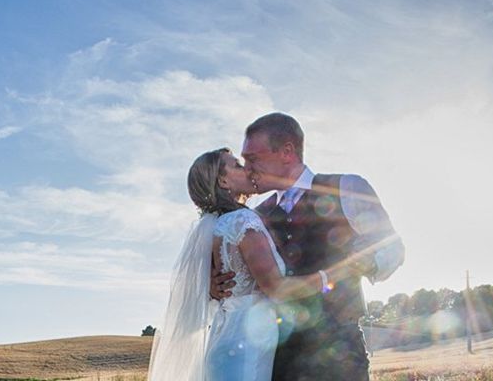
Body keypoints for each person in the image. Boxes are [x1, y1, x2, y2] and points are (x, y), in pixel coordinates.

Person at [211, 112, 405, 381]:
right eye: (243, 161)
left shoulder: (346, 187)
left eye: (253, 158)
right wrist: (216, 286)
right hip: (280, 357)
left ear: (287, 152)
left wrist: (366, 263)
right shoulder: (256, 217)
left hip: (341, 354)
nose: (248, 168)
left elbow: (393, 248)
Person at [148, 147, 357, 381]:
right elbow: (276, 288)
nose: (246, 169)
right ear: (223, 181)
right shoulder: (243, 221)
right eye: (237, 165)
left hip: (227, 337)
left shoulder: (217, 225)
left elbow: (209, 281)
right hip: (245, 346)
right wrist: (333, 276)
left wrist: (210, 288)